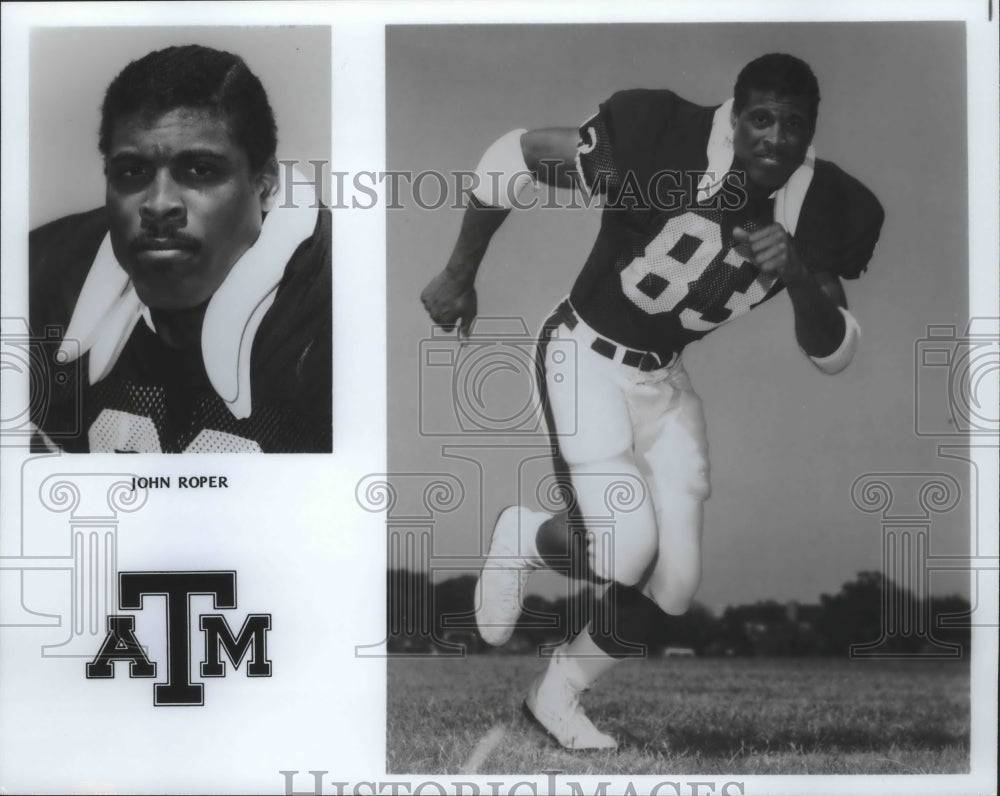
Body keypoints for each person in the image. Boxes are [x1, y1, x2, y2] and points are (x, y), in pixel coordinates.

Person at [421, 53, 883, 749]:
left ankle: (559, 695)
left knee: (675, 582)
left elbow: (833, 350)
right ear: (734, 113)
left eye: (793, 125)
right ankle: (524, 537)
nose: (774, 139)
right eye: (759, 118)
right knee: (626, 546)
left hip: (663, 380)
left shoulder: (820, 204)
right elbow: (510, 155)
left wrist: (797, 276)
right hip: (583, 350)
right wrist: (460, 272)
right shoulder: (660, 135)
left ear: (812, 130)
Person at [29, 45, 331, 453]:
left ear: (265, 184)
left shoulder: (342, 303)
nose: (157, 204)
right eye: (132, 172)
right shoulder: (39, 274)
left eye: (201, 170)